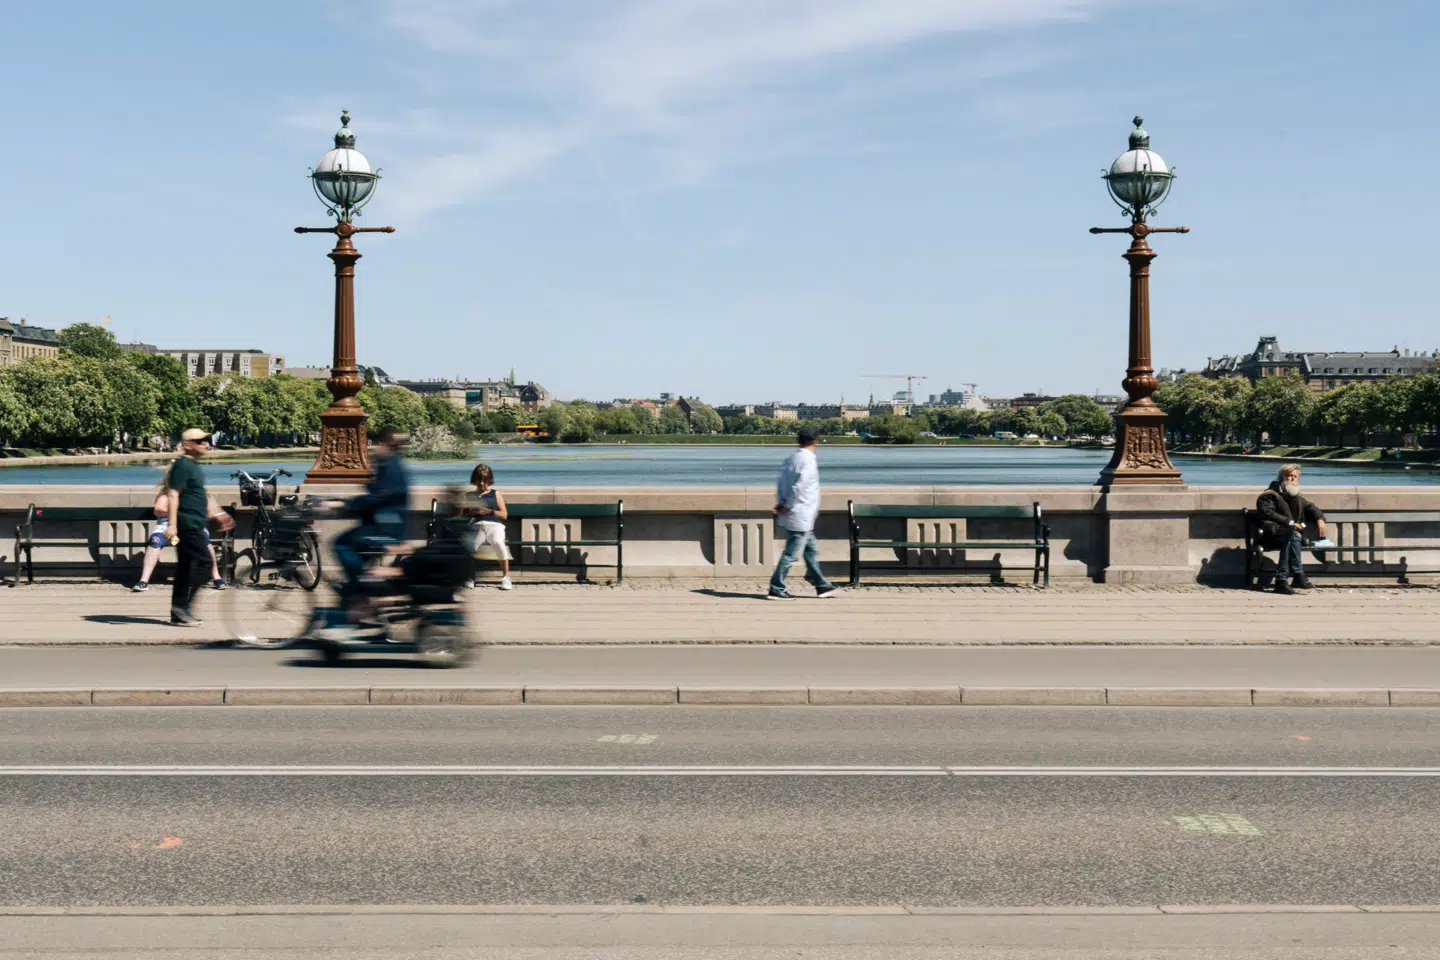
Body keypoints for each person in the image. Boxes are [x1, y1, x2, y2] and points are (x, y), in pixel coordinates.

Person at [165, 429, 234, 625]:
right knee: (204, 564)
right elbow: (173, 494)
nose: (206, 443)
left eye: (207, 440)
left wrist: (219, 514)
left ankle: (179, 611)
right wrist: (172, 525)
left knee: (185, 568)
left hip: (194, 521)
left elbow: (201, 494)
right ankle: (182, 607)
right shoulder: (183, 465)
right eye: (201, 441)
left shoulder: (192, 466)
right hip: (187, 523)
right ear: (188, 444)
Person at [333, 428, 412, 592]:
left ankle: (358, 584)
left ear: (385, 445)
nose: (374, 448)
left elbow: (378, 497)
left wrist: (346, 505)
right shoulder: (391, 464)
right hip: (386, 526)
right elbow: (380, 492)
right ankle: (361, 584)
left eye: (376, 444)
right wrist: (368, 477)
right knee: (358, 553)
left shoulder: (391, 467)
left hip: (384, 530)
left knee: (341, 544)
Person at [768, 427, 838, 600]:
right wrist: (788, 505)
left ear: (798, 441)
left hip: (796, 512)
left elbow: (782, 483)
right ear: (816, 442)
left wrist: (782, 503)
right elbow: (799, 486)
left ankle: (822, 585)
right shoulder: (808, 461)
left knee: (810, 551)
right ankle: (776, 587)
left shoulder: (791, 459)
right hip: (801, 512)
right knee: (791, 554)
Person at [131, 473, 224, 593]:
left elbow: (211, 512)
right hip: (168, 530)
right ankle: (143, 581)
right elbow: (158, 509)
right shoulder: (167, 493)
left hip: (192, 529)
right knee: (155, 541)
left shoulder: (199, 494)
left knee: (206, 544)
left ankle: (216, 577)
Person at [1256, 463, 1328, 595]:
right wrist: (1290, 522)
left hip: (1290, 535)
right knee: (1292, 535)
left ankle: (1284, 580)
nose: (1293, 479)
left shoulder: (1296, 497)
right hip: (1271, 534)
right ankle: (1294, 576)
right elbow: (1267, 512)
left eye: (1295, 476)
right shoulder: (1270, 494)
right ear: (1282, 477)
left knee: (1292, 536)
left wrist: (1320, 519)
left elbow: (1312, 508)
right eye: (1290, 476)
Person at [461, 463, 513, 590]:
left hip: (495, 525)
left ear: (489, 480)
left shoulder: (495, 494)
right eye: (479, 481)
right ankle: (470, 577)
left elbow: (505, 514)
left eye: (485, 481)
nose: (482, 484)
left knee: (498, 542)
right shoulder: (469, 495)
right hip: (477, 525)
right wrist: (470, 513)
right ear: (475, 481)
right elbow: (462, 516)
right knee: (471, 546)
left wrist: (490, 511)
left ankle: (506, 577)